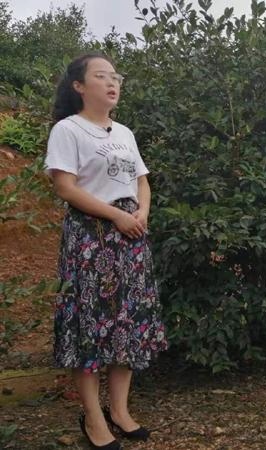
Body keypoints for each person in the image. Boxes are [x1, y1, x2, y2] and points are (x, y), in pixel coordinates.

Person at [44, 52, 168, 450]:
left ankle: (119, 410)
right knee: (90, 326)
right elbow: (65, 187)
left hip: (131, 237)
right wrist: (117, 216)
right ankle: (93, 418)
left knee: (127, 324)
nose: (113, 82)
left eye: (116, 76)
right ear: (79, 86)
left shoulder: (125, 133)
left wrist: (141, 212)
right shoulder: (68, 129)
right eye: (102, 76)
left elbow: (141, 180)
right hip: (91, 237)